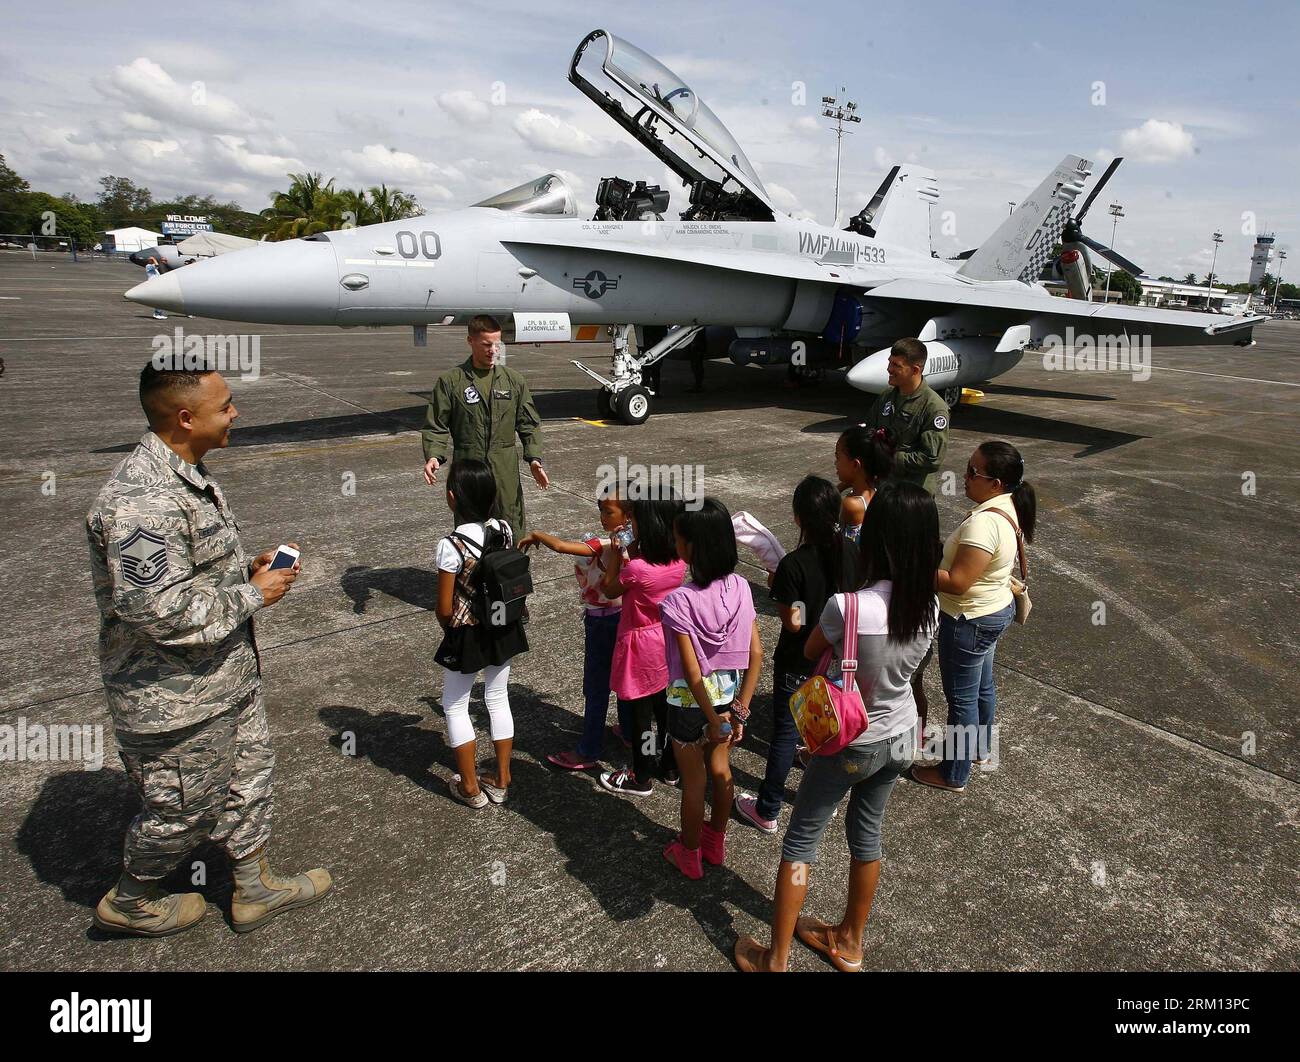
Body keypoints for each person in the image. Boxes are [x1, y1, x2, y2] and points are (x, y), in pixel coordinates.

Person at [86, 363, 331, 937]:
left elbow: (187, 573)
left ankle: (254, 888)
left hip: (224, 677)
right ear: (185, 417)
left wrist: (239, 572)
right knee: (183, 808)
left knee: (248, 778)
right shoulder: (141, 503)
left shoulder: (186, 473)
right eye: (225, 406)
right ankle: (131, 899)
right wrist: (254, 593)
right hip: (174, 698)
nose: (235, 413)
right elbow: (160, 613)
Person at [734, 482, 940, 972]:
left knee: (802, 841)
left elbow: (808, 651)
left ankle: (776, 957)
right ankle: (849, 941)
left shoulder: (849, 607)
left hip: (849, 740)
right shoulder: (929, 605)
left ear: (878, 539)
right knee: (867, 838)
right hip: (900, 734)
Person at [736, 476, 863, 834]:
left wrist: (791, 596)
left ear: (797, 518)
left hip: (797, 662)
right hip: (837, 661)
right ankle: (824, 800)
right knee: (823, 734)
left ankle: (768, 808)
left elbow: (794, 624)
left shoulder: (794, 563)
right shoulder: (852, 552)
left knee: (784, 735)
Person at [911, 441, 1036, 793]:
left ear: (996, 483)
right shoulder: (1006, 506)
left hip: (969, 619)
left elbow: (958, 583)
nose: (964, 477)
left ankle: (953, 773)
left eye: (972, 473)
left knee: (961, 699)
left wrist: (910, 566)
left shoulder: (984, 524)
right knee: (982, 687)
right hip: (994, 610)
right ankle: (978, 750)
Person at [659, 499, 763, 878]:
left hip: (690, 706)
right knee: (721, 773)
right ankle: (714, 844)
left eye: (678, 539)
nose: (675, 544)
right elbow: (757, 653)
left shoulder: (679, 601)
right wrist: (738, 711)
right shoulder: (741, 588)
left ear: (692, 546)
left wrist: (710, 718)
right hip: (727, 699)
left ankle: (688, 855)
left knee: (693, 783)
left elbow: (689, 670)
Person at [434, 458, 528, 808]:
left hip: (467, 633)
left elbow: (444, 607)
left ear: (452, 498)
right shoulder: (504, 528)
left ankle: (470, 787)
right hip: (503, 626)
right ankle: (503, 778)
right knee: (497, 697)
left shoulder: (451, 545)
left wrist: (451, 632)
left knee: (455, 705)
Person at [520, 488, 634, 769]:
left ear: (627, 515)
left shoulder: (604, 543)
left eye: (609, 511)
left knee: (596, 687)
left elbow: (561, 546)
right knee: (623, 680)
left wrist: (537, 534)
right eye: (601, 510)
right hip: (626, 617)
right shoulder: (637, 542)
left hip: (601, 621)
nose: (602, 516)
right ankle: (630, 731)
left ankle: (589, 750)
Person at [421, 315, 548, 539]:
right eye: (487, 344)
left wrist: (534, 459)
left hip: (504, 468)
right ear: (470, 341)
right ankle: (474, 573)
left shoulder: (513, 381)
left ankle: (510, 572)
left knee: (510, 525)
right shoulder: (451, 382)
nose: (493, 350)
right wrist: (434, 456)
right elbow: (436, 425)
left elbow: (528, 423)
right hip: (469, 467)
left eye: (497, 344)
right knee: (470, 531)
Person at [597, 493, 686, 797]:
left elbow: (610, 590)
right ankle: (671, 767)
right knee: (665, 707)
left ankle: (641, 774)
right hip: (666, 638)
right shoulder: (678, 561)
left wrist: (615, 555)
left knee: (640, 713)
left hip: (639, 645)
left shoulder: (637, 569)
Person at [862, 337, 950, 496]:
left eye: (896, 365)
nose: (889, 369)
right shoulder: (886, 397)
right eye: (890, 362)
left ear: (915, 370)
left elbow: (932, 459)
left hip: (912, 497)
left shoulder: (933, 408)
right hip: (883, 489)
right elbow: (870, 430)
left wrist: (890, 459)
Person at [834, 425, 894, 543]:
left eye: (838, 457)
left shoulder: (852, 504)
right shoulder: (876, 494)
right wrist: (846, 483)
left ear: (856, 465)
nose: (835, 463)